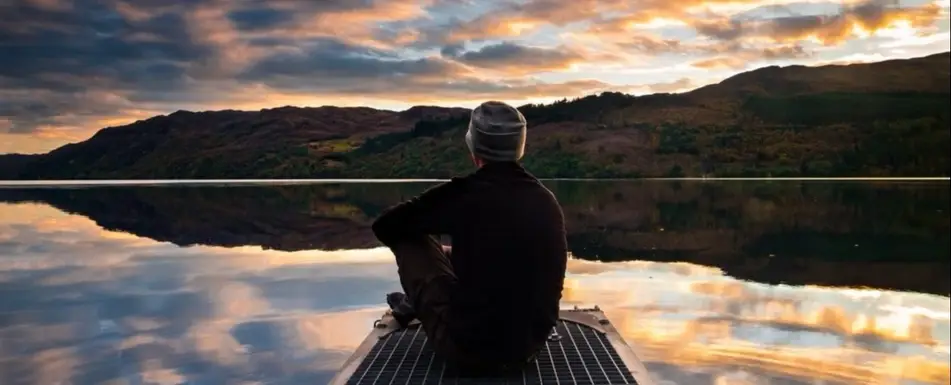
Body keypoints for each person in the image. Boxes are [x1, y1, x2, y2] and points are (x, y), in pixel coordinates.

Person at [371, 100, 568, 374]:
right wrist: (452, 252)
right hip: (528, 349)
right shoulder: (546, 200)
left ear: (473, 146)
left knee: (411, 238)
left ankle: (416, 305)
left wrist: (439, 250)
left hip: (469, 353)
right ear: (519, 148)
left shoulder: (462, 195)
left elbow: (385, 226)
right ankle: (416, 304)